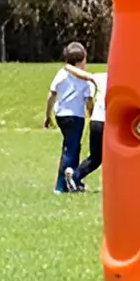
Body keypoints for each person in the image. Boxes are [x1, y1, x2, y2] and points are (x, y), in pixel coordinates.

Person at [43, 43, 97, 193]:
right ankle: (62, 185)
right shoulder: (83, 79)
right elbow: (88, 100)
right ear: (81, 61)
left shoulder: (61, 74)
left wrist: (47, 115)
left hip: (61, 115)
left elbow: (51, 94)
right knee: (71, 150)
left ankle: (72, 182)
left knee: (72, 147)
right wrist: (92, 114)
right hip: (75, 117)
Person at [75, 68, 108, 189]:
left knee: (95, 157)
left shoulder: (102, 77)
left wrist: (69, 66)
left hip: (96, 121)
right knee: (109, 157)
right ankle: (76, 176)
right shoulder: (127, 79)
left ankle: (75, 176)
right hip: (110, 122)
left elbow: (85, 75)